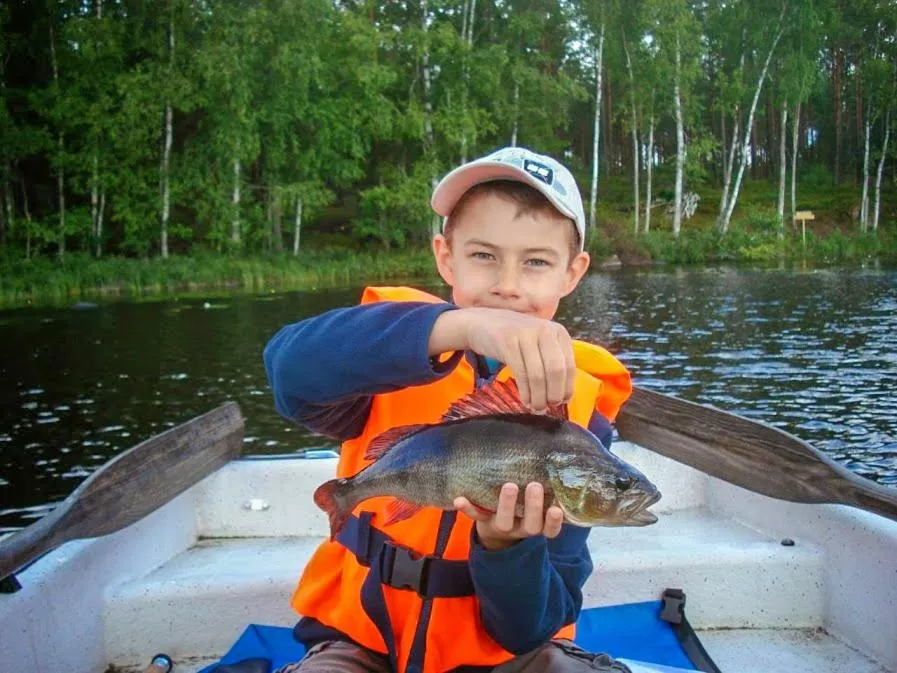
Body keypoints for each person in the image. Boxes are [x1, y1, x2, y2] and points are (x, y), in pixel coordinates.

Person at [263, 147, 634, 673]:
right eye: (484, 255)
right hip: (360, 647)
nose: (507, 284)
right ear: (445, 256)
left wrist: (506, 546)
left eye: (536, 262)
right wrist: (460, 327)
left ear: (572, 273)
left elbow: (531, 628)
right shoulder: (379, 360)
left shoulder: (585, 414)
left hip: (505, 659)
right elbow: (288, 370)